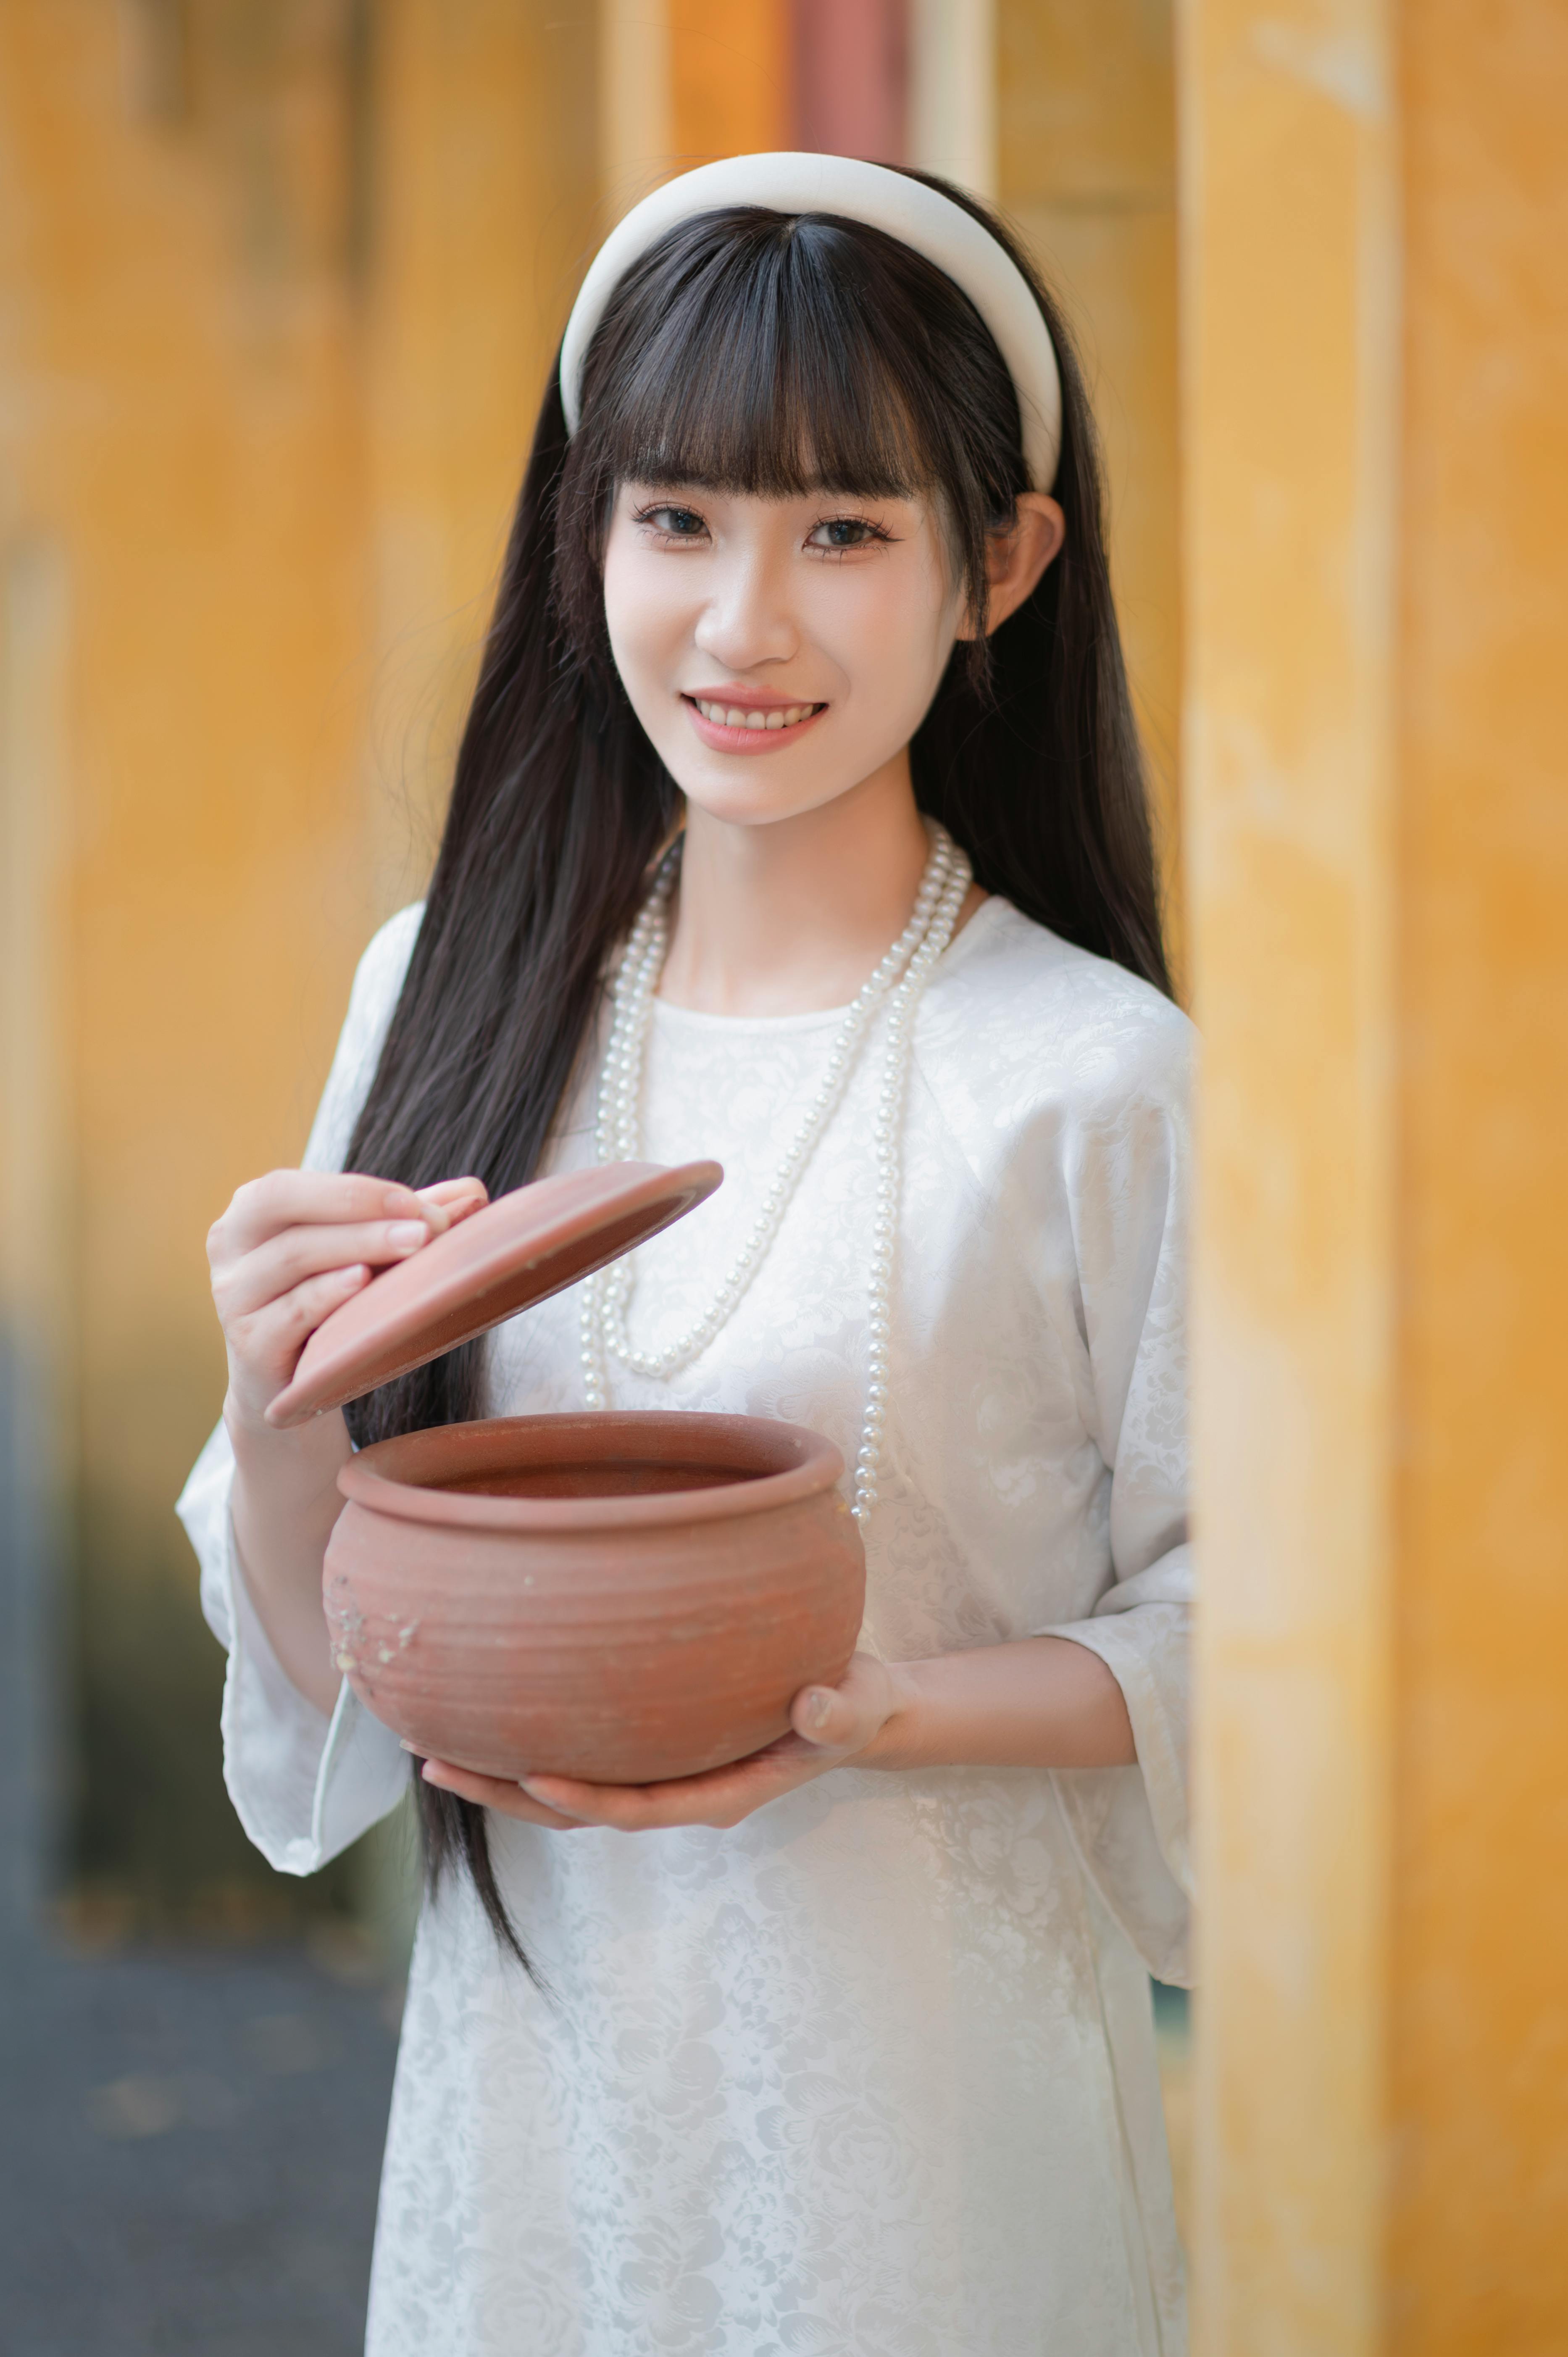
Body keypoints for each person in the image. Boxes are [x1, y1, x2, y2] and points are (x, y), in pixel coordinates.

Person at [178, 155, 1193, 2356]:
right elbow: (329, 1680)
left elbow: (1252, 1637)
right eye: (677, 521)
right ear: (587, 542)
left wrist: (877, 1714)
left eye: (841, 531)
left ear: (994, 564)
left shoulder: (1094, 1074)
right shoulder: (447, 988)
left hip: (937, 2140)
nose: (741, 626)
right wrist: (281, 1419)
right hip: (535, 2117)